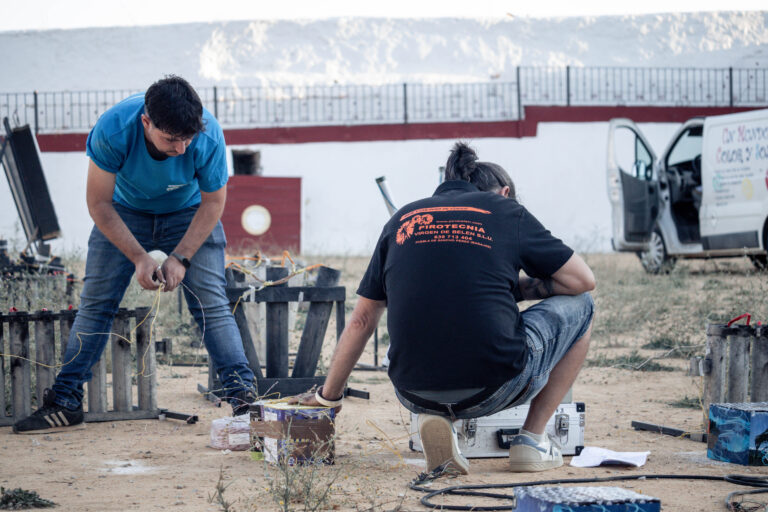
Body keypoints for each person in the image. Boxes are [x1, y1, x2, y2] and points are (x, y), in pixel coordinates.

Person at [300, 142, 595, 474]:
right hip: (495, 388)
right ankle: (530, 440)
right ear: (505, 193)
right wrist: (521, 288)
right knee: (582, 306)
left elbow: (362, 320)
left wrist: (328, 398)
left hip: (412, 391)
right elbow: (582, 281)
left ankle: (441, 422)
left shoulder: (402, 219)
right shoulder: (504, 210)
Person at [13, 76, 256, 434]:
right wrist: (140, 257)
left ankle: (245, 401)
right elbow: (98, 202)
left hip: (189, 213)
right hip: (124, 213)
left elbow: (214, 202)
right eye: (171, 139)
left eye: (187, 138)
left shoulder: (207, 136)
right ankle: (64, 402)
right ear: (146, 121)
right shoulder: (113, 129)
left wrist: (182, 257)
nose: (181, 149)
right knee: (96, 303)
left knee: (211, 303)